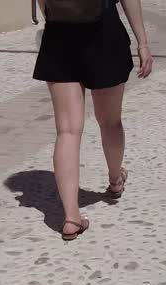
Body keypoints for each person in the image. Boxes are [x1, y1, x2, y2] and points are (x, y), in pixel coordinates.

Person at [33, 0, 153, 240]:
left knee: (67, 131)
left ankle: (71, 218)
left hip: (59, 35)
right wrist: (142, 43)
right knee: (110, 121)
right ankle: (115, 179)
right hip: (104, 33)